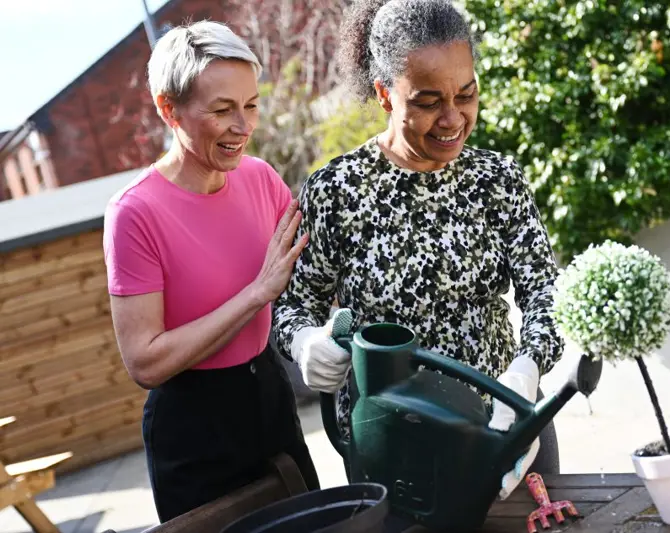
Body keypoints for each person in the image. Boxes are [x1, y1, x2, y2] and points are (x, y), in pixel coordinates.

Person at [273, 0, 564, 499]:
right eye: (428, 102)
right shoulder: (337, 192)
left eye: (466, 94)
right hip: (394, 450)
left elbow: (546, 293)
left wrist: (529, 366)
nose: (453, 118)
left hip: (506, 428)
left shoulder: (497, 179)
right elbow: (293, 306)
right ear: (385, 94)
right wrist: (304, 342)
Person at [102, 20, 320, 523]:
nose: (243, 126)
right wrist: (256, 295)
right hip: (194, 431)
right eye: (222, 110)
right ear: (169, 109)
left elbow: (310, 278)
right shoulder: (135, 213)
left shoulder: (261, 179)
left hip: (269, 397)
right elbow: (144, 361)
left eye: (251, 105)